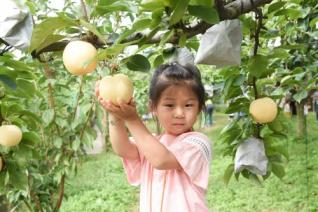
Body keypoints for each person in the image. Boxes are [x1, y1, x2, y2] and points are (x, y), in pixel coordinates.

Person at [95, 62, 212, 211]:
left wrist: (132, 119)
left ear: (199, 108)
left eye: (188, 105)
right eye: (170, 105)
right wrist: (114, 111)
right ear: (153, 107)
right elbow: (122, 148)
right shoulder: (151, 142)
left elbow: (161, 160)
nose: (179, 113)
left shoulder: (199, 144)